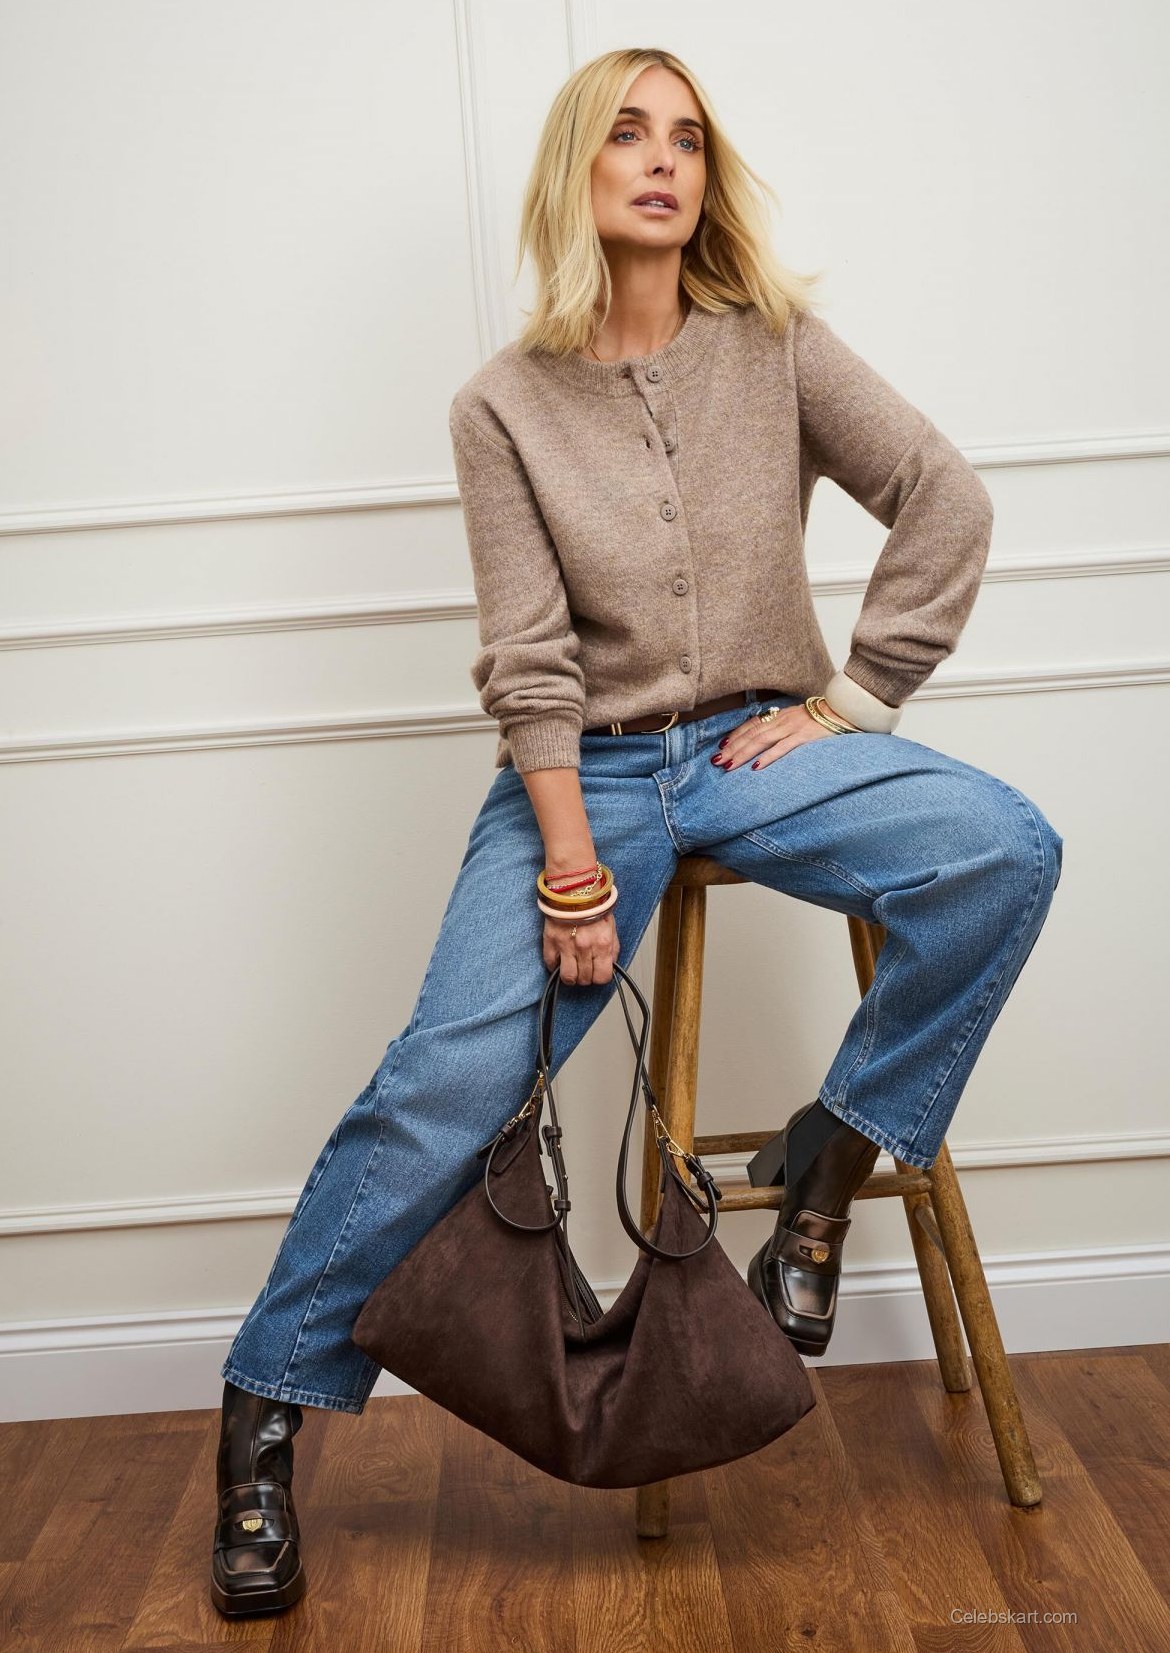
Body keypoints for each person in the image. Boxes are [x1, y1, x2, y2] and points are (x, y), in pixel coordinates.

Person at [209, 46, 1064, 1617]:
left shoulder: (775, 346)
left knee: (1003, 848)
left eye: (685, 138)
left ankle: (830, 1150)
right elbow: (529, 660)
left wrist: (854, 699)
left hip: (757, 750)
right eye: (626, 133)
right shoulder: (501, 406)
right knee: (438, 1087)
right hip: (582, 780)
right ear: (577, 173)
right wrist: (569, 863)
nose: (662, 160)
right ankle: (265, 1407)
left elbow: (942, 492)